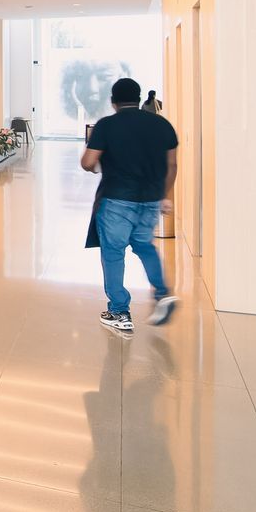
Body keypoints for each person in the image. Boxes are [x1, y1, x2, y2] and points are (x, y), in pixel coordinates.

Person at [81, 77, 180, 332]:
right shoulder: (162, 125)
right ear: (137, 100)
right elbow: (172, 165)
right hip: (149, 200)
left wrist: (95, 166)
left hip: (116, 199)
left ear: (113, 101)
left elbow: (88, 161)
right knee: (144, 246)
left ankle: (119, 312)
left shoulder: (107, 125)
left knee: (113, 253)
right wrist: (164, 195)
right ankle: (162, 293)